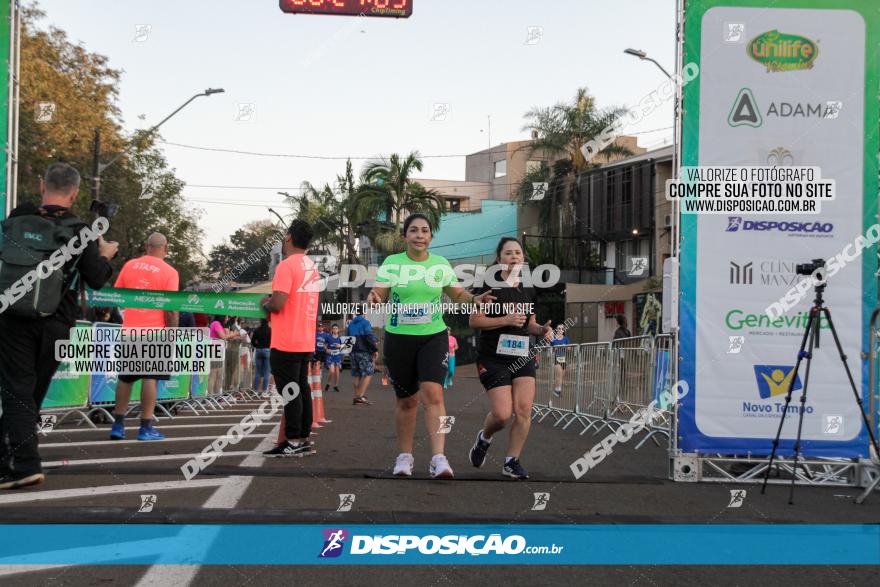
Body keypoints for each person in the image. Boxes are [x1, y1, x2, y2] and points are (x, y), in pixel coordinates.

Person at [0, 163, 117, 489]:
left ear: (41, 185)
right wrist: (105, 254)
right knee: (27, 394)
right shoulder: (80, 231)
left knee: (17, 393)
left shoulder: (16, 221)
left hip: (11, 317)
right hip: (58, 324)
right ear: (75, 192)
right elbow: (96, 279)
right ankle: (21, 463)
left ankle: (20, 463)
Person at [367, 213, 495, 478]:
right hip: (399, 338)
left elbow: (457, 294)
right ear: (405, 236)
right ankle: (404, 457)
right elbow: (380, 292)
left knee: (434, 395)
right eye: (413, 231)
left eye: (424, 231)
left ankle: (439, 458)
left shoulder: (440, 264)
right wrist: (375, 298)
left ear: (430, 237)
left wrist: (475, 299)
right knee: (406, 400)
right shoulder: (392, 263)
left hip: (433, 337)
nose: (419, 235)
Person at [468, 237, 553, 480]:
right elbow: (475, 321)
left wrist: (542, 330)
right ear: (499, 258)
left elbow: (530, 323)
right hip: (493, 357)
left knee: (524, 409)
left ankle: (511, 461)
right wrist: (504, 320)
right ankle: (484, 439)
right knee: (502, 415)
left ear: (523, 257)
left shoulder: (528, 287)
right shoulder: (488, 284)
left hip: (522, 354)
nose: (514, 257)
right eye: (508, 253)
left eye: (518, 252)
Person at [110, 233, 179, 441]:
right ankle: (145, 427)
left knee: (126, 378)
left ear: (147, 246)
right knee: (151, 378)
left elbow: (118, 295)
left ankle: (118, 425)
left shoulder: (130, 265)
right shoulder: (170, 272)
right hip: (155, 330)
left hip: (130, 328)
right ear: (165, 247)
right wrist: (172, 332)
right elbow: (170, 307)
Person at [261, 220, 319, 457]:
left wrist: (265, 303)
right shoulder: (311, 265)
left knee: (291, 391)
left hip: (286, 340)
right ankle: (303, 438)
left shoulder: (287, 266)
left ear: (288, 238)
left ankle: (292, 440)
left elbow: (278, 303)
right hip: (305, 338)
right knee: (302, 389)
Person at [347, 308, 378, 405]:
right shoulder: (365, 322)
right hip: (363, 351)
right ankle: (360, 397)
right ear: (364, 312)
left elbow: (347, 339)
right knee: (369, 373)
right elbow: (368, 336)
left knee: (357, 375)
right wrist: (375, 350)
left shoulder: (350, 324)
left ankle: (357, 396)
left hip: (353, 352)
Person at [251, 318, 271, 394]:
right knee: (266, 371)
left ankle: (256, 390)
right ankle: (264, 390)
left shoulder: (257, 330)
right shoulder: (270, 330)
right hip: (267, 350)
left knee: (258, 371)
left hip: (259, 350)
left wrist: (257, 346)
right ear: (268, 321)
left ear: (260, 321)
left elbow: (252, 341)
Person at [550, 325, 570, 398]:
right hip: (556, 358)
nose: (560, 330)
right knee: (559, 373)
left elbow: (569, 348)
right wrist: (553, 349)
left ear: (563, 330)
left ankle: (557, 389)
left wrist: (565, 347)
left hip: (563, 359)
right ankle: (558, 391)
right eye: (559, 328)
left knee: (561, 376)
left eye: (562, 329)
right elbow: (549, 348)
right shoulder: (553, 339)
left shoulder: (566, 339)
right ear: (557, 330)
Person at [324, 324, 343, 393]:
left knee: (337, 372)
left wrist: (340, 346)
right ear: (331, 330)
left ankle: (336, 386)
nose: (335, 330)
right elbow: (325, 345)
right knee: (332, 371)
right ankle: (328, 383)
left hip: (337, 356)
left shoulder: (340, 338)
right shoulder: (328, 337)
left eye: (336, 328)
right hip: (330, 356)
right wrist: (326, 349)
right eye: (334, 328)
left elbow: (345, 347)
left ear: (338, 330)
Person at [313, 322, 329, 388]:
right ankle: (318, 372)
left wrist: (326, 346)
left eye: (321, 327)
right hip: (317, 350)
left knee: (322, 362)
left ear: (323, 328)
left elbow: (328, 342)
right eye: (319, 327)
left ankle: (320, 371)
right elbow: (313, 341)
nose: (320, 328)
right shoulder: (315, 334)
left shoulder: (326, 335)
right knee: (318, 361)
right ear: (317, 328)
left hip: (323, 350)